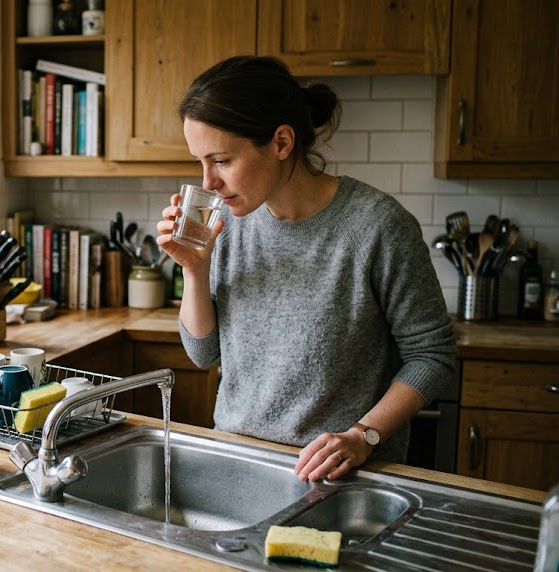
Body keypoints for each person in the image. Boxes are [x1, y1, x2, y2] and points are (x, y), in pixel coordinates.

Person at [156, 55, 456, 482]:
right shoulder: (228, 223)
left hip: (340, 477)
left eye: (221, 160)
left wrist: (364, 436)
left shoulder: (377, 226)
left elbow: (433, 355)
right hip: (238, 465)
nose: (208, 183)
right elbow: (203, 354)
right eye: (199, 162)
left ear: (281, 142)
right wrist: (194, 270)